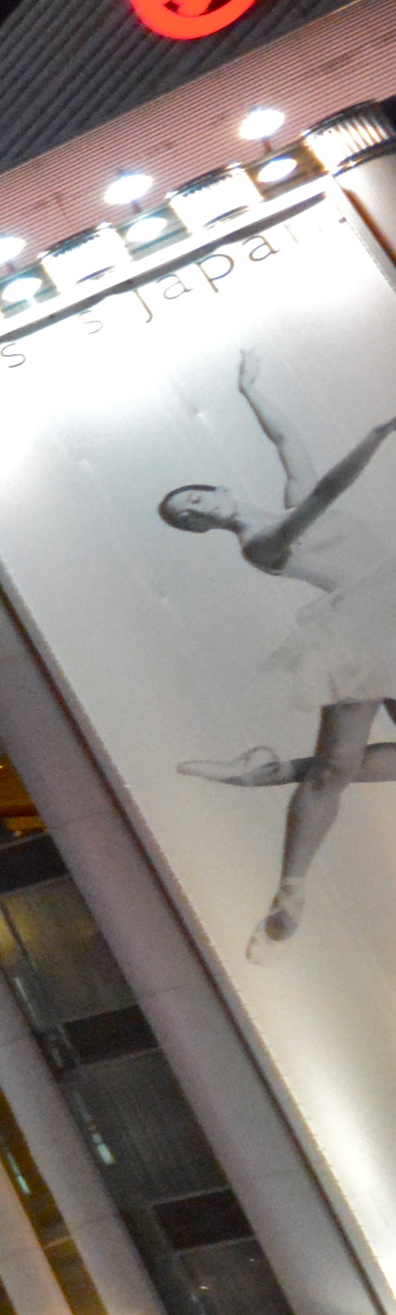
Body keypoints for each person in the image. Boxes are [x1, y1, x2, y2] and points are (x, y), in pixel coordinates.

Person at [159, 346, 396, 956]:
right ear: (198, 529)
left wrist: (250, 391)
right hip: (362, 631)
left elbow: (288, 439)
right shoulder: (260, 543)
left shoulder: (282, 501)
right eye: (187, 516)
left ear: (216, 488)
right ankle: (291, 884)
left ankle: (263, 774)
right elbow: (323, 495)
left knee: (333, 768)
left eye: (193, 498)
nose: (195, 509)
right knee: (336, 768)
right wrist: (375, 435)